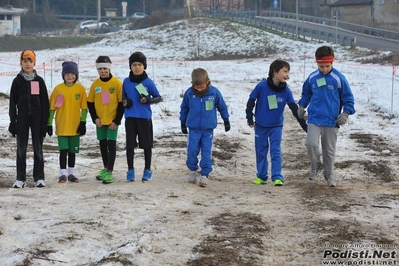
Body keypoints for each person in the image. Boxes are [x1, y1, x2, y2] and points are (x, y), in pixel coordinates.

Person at [297, 45, 355, 187]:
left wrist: (346, 113)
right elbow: (306, 93)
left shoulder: (338, 78)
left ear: (332, 63)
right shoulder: (312, 77)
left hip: (331, 121)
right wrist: (302, 106)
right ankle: (315, 166)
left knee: (329, 151)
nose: (324, 69)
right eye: (321, 66)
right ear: (317, 63)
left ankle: (329, 175)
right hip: (314, 118)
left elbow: (348, 98)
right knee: (310, 143)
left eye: (327, 66)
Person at [246, 59, 307, 186]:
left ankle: (277, 177)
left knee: (276, 151)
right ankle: (262, 177)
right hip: (261, 126)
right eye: (285, 71)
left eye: (288, 72)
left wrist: (304, 126)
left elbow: (294, 109)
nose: (287, 75)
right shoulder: (261, 86)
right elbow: (251, 101)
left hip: (276, 126)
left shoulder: (286, 91)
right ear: (275, 72)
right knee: (261, 151)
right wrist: (250, 118)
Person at [180, 68, 230, 187]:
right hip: (193, 129)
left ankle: (205, 174)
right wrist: (183, 122)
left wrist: (226, 120)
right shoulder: (189, 93)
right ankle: (192, 170)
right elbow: (184, 109)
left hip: (208, 129)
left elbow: (222, 107)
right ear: (192, 84)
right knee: (192, 149)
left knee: (206, 151)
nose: (199, 89)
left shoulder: (214, 93)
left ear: (208, 82)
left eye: (202, 87)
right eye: (196, 87)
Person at [8, 49, 50, 188]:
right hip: (22, 117)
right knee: (21, 148)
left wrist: (45, 122)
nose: (27, 64)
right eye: (25, 61)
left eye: (30, 61)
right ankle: (20, 178)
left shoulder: (39, 80)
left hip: (37, 117)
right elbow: (12, 102)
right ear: (21, 62)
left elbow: (45, 102)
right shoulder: (17, 81)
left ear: (34, 63)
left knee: (38, 148)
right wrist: (13, 121)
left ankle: (39, 177)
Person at [122, 51, 162, 182]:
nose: (137, 67)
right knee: (130, 145)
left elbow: (157, 97)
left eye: (139, 64)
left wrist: (148, 100)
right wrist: (126, 102)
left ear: (144, 66)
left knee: (146, 145)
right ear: (130, 66)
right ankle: (130, 170)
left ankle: (147, 169)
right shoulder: (126, 82)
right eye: (134, 65)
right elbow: (123, 98)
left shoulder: (148, 82)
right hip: (130, 118)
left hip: (144, 117)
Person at [48, 61, 88, 183]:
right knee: (63, 151)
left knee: (72, 152)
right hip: (62, 126)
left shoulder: (80, 89)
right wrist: (49, 124)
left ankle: (71, 173)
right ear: (63, 75)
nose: (69, 76)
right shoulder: (58, 89)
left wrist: (83, 122)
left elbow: (84, 108)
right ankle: (62, 174)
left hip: (75, 126)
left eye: (72, 74)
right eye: (67, 74)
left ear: (76, 75)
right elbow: (52, 108)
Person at [87, 56, 123, 184]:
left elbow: (121, 103)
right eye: (100, 69)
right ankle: (105, 167)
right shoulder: (95, 85)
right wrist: (95, 118)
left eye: (105, 68)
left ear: (109, 68)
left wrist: (117, 121)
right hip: (100, 122)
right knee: (102, 145)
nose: (103, 71)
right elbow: (90, 103)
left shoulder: (117, 84)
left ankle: (110, 172)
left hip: (112, 121)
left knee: (111, 145)